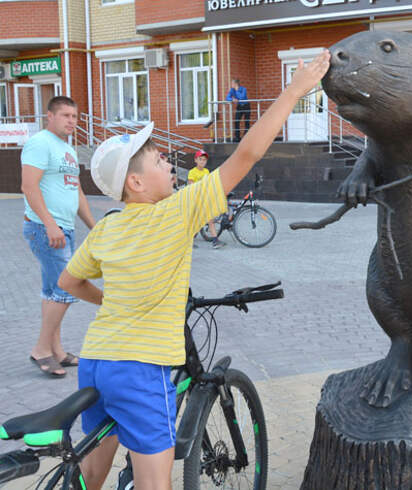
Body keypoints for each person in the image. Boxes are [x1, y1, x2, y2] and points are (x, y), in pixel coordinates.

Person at [57, 50, 330, 490]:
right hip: (143, 367)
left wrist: (110, 301)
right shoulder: (178, 212)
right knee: (155, 482)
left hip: (97, 359)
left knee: (93, 470)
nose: (169, 164)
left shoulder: (107, 227)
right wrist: (296, 90)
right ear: (136, 183)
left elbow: (67, 282)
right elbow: (248, 153)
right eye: (159, 160)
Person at [21, 95, 96, 378]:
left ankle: (58, 351)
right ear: (49, 116)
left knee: (52, 291)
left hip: (65, 228)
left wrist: (93, 226)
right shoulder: (39, 143)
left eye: (75, 116)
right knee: (66, 287)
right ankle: (41, 349)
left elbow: (76, 192)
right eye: (65, 115)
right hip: (45, 228)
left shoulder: (68, 149)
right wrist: (50, 224)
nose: (71, 121)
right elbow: (29, 187)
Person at [188, 149, 225, 249]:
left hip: (205, 200)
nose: (202, 162)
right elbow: (191, 186)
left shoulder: (206, 171)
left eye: (204, 160)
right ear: (195, 160)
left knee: (210, 220)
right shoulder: (192, 172)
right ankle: (188, 241)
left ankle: (215, 241)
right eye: (200, 159)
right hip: (196, 200)